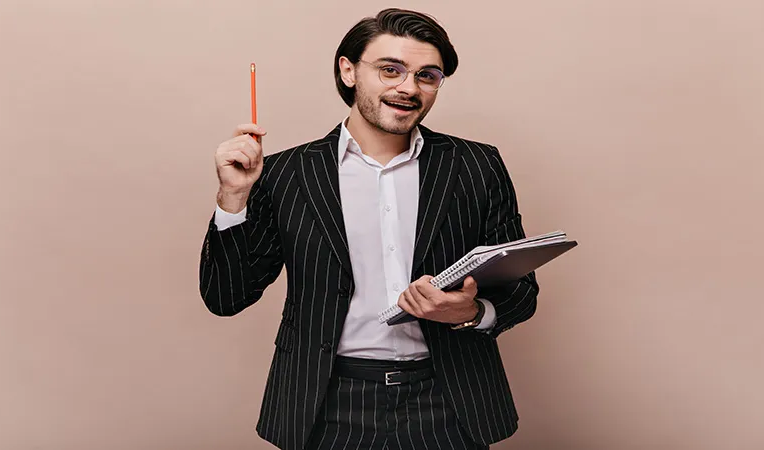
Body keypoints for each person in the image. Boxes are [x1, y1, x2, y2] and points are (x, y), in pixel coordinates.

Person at [198, 7, 539, 450]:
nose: (408, 88)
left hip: (449, 402)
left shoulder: (476, 165)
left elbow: (521, 293)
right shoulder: (284, 173)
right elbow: (226, 297)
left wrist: (470, 314)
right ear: (348, 71)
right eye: (390, 70)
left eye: (427, 76)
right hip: (326, 404)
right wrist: (232, 199)